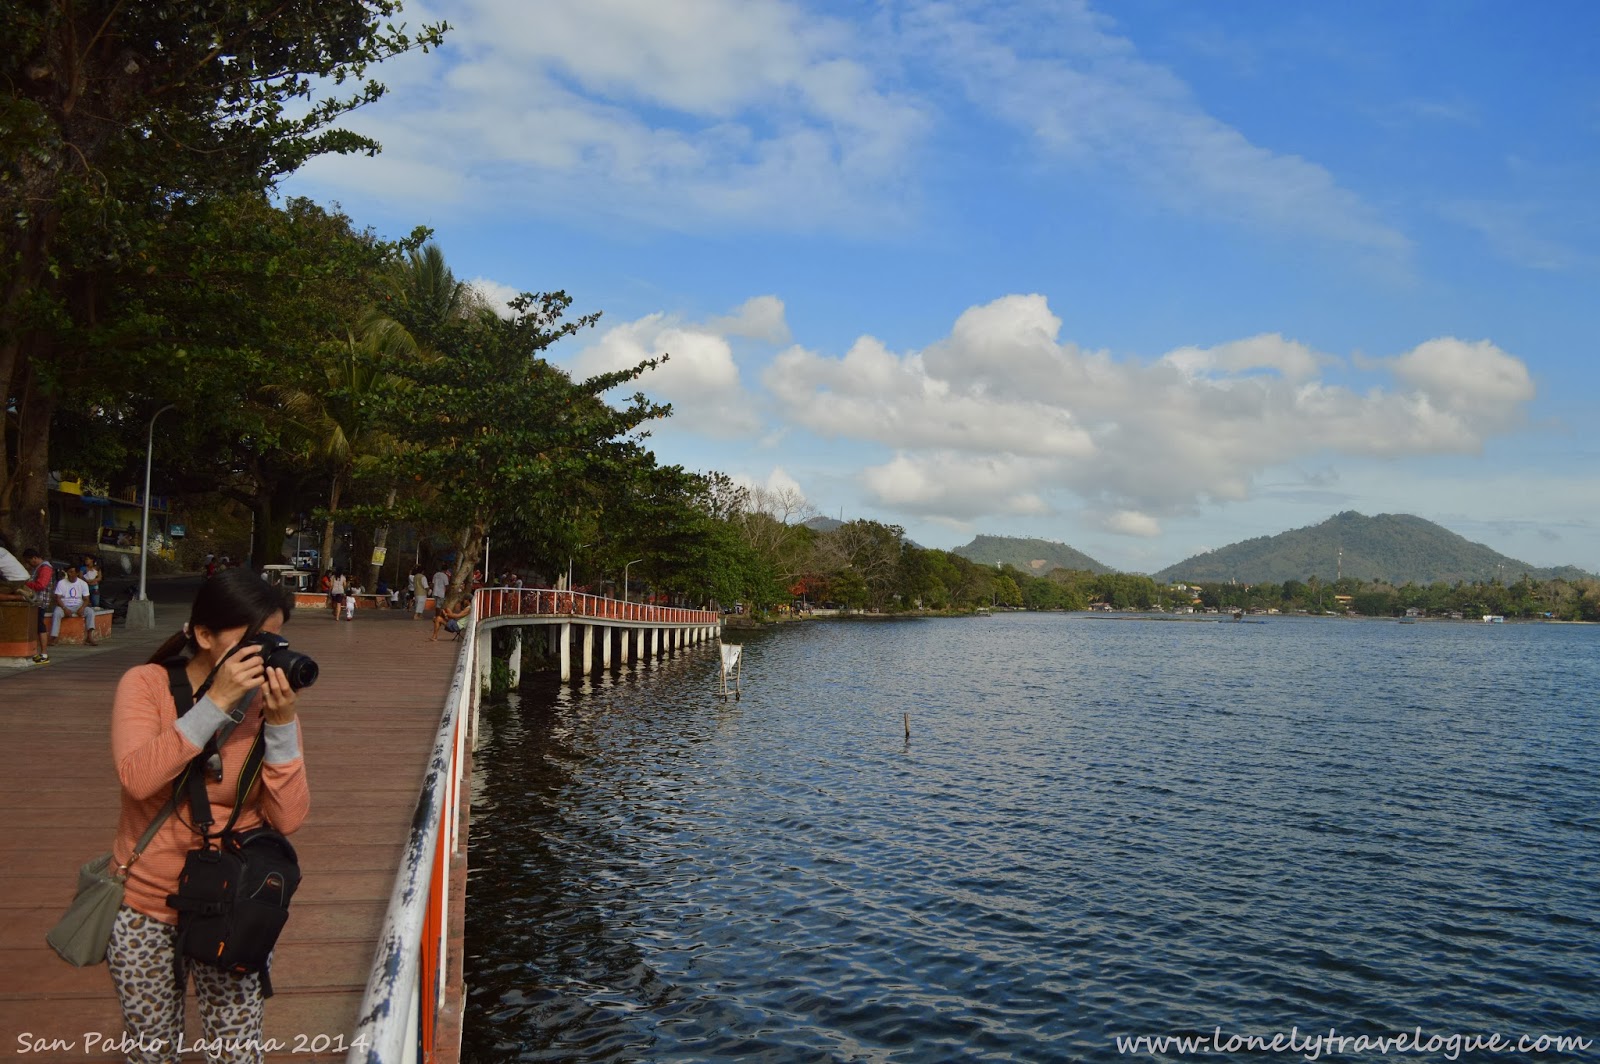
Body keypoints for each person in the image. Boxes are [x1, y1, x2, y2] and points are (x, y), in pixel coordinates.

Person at [104, 567, 308, 1060]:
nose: (268, 652)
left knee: (237, 1051)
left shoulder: (266, 705)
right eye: (254, 639)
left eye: (274, 638)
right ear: (203, 635)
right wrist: (216, 702)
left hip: (236, 902)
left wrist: (282, 726)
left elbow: (288, 818)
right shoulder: (146, 685)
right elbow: (138, 778)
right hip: (147, 903)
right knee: (151, 1050)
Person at [51, 563, 97, 645]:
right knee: (57, 612)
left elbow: (86, 599)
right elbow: (58, 598)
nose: (70, 574)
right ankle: (54, 637)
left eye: (72, 572)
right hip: (64, 605)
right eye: (69, 572)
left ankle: (89, 637)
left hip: (78, 605)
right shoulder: (61, 583)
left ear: (77, 573)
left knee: (90, 612)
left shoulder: (83, 584)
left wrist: (82, 608)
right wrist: (65, 608)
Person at [22, 548, 54, 663]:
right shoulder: (39, 568)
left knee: (40, 626)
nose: (29, 564)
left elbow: (41, 585)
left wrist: (26, 583)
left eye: (29, 561)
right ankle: (37, 652)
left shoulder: (45, 568)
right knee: (37, 626)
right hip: (37, 601)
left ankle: (44, 654)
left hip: (40, 601)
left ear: (34, 558)